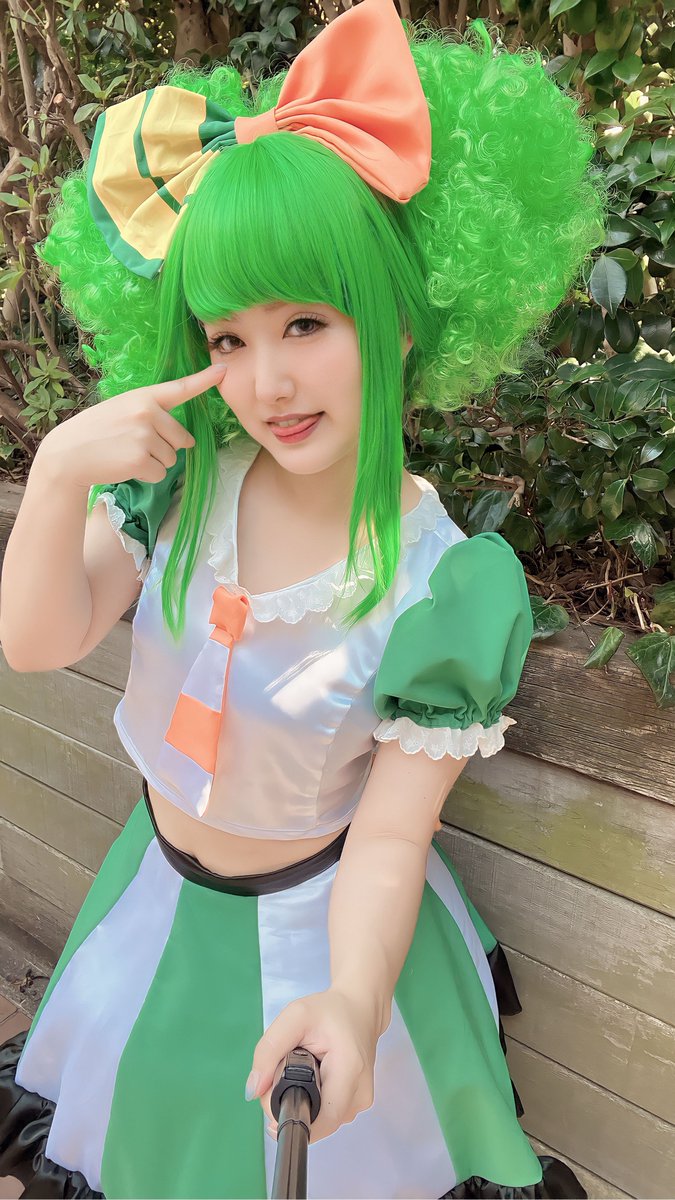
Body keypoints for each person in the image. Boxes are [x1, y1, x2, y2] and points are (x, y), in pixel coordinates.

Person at [0, 0, 606, 1195]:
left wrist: (354, 1001)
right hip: (153, 903)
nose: (267, 381)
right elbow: (36, 642)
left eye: (307, 324)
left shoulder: (443, 584)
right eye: (227, 339)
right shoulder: (178, 484)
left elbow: (391, 834)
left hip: (324, 944)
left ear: (399, 315)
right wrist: (61, 468)